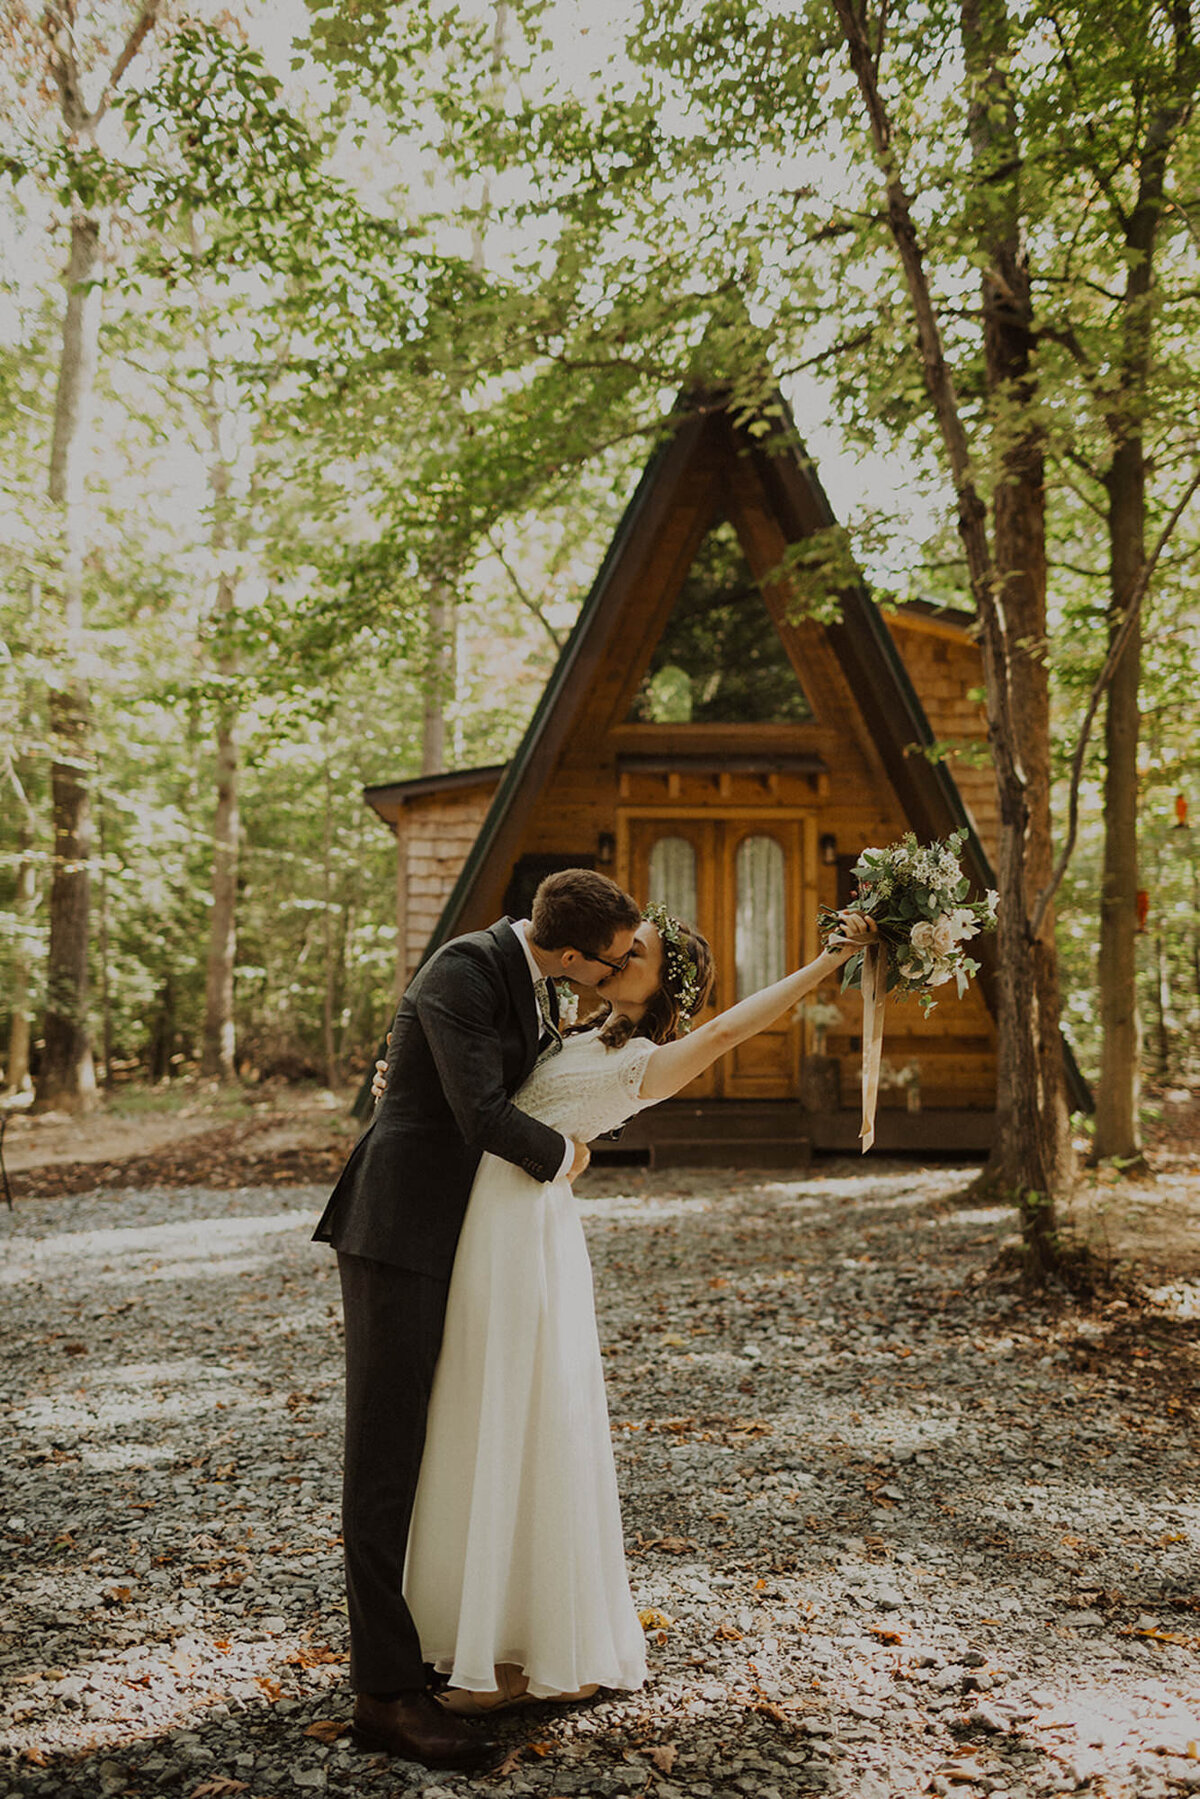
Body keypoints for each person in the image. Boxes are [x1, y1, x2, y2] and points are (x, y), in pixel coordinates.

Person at [393, 900, 877, 1716]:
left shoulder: (654, 1057)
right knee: (483, 1414)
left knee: (526, 1419)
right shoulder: (573, 1033)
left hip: (524, 1240)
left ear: (665, 984)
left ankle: (539, 1654)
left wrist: (830, 962)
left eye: (638, 956)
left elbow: (730, 1032)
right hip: (492, 1227)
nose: (617, 961)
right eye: (620, 950)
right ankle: (494, 1637)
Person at [312, 869, 643, 1772]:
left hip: (459, 1240)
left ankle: (439, 1635)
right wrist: (567, 1151)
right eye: (609, 963)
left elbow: (418, 1047)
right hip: (399, 1233)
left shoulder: (533, 980)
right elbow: (482, 1110)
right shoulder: (466, 969)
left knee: (436, 1445)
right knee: (384, 1454)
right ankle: (384, 1695)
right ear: (570, 952)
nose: (612, 978)